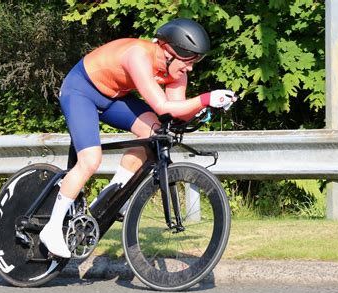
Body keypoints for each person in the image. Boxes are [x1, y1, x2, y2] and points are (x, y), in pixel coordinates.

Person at [39, 18, 237, 258]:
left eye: (195, 62)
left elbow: (174, 114)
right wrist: (205, 99)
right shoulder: (138, 55)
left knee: (155, 134)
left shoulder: (176, 70)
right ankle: (51, 228)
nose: (190, 69)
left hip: (112, 97)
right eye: (188, 61)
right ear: (168, 52)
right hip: (80, 90)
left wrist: (207, 108)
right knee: (90, 160)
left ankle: (113, 193)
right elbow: (163, 105)